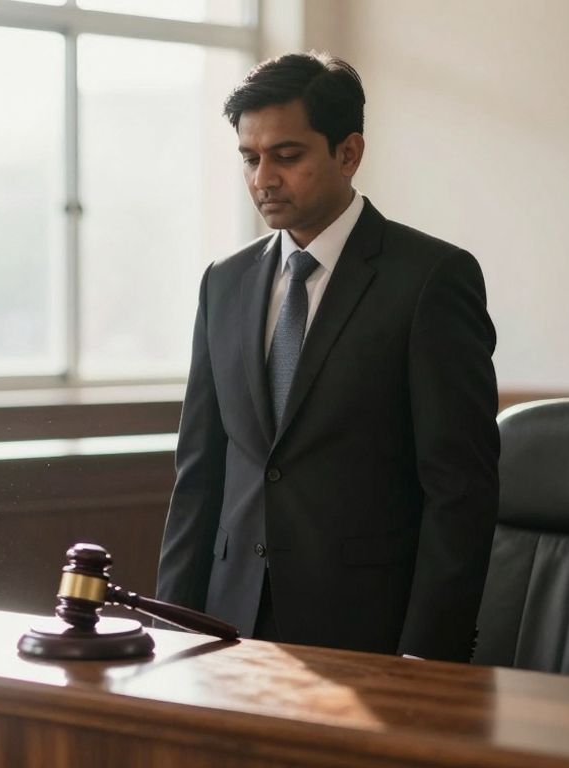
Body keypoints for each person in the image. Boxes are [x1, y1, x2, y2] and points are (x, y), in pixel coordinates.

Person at [155, 52, 499, 662]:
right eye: (249, 158)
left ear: (348, 152)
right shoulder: (224, 282)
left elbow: (460, 492)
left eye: (286, 156)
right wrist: (171, 629)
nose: (263, 178)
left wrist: (426, 656)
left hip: (368, 635)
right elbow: (199, 474)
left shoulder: (431, 280)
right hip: (226, 629)